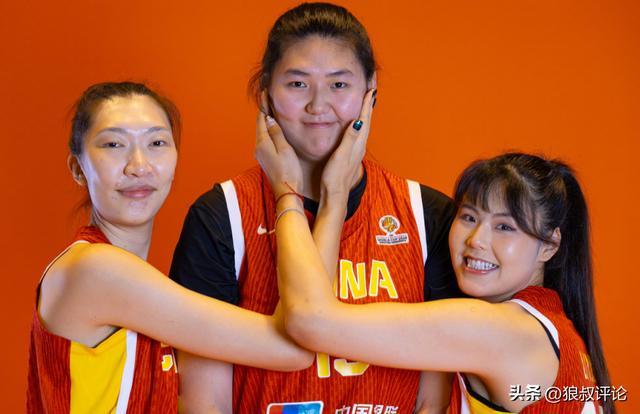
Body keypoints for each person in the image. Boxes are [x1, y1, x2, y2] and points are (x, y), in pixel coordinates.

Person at [170, 3, 459, 413]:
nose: (318, 106)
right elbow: (205, 402)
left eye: (339, 84)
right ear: (266, 92)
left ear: (370, 90)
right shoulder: (221, 216)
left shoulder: (426, 215)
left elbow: (435, 397)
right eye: (297, 84)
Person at [256, 124, 613, 413]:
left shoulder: (499, 329)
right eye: (469, 217)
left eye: (505, 227)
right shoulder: (552, 327)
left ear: (550, 245)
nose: (476, 240)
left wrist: (294, 193)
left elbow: (310, 321)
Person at [26, 81, 313, 414]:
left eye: (157, 143)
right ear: (78, 168)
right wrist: (319, 197)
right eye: (114, 144)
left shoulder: (115, 273)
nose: (139, 165)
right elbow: (295, 346)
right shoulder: (95, 270)